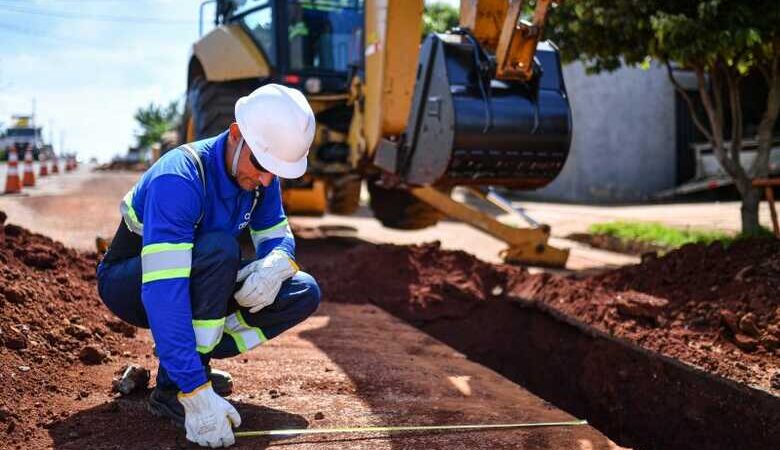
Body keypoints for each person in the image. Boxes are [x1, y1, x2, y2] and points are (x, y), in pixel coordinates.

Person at [97, 84, 321, 448]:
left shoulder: (263, 178)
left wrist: (277, 262)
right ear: (236, 134)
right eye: (263, 165)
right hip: (131, 285)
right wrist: (195, 391)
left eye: (277, 171)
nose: (267, 179)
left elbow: (277, 235)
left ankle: (193, 362)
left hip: (195, 272)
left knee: (301, 289)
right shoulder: (180, 177)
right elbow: (164, 291)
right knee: (219, 249)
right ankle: (176, 387)